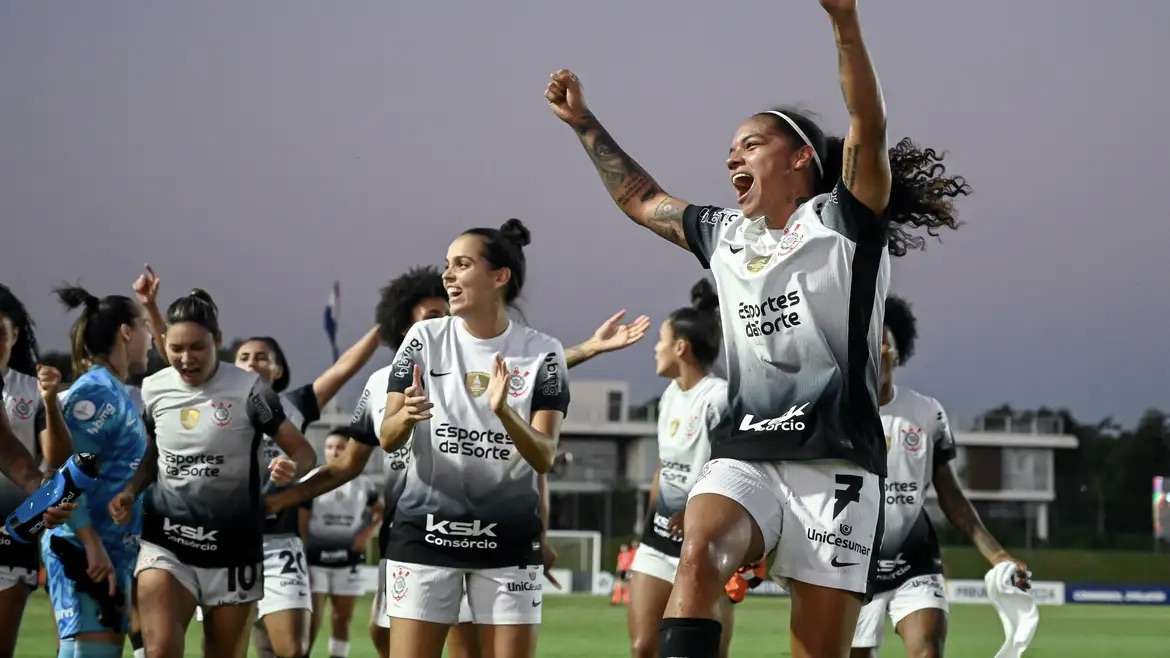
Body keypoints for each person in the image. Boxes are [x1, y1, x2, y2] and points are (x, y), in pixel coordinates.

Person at [546, 1, 969, 654]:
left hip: (836, 465)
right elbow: (642, 199)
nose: (732, 159)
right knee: (699, 553)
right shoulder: (725, 234)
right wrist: (584, 123)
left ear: (800, 157)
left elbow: (868, 123)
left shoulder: (844, 220)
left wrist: (845, 24)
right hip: (746, 454)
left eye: (750, 144)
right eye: (729, 150)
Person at [263, 264, 649, 658]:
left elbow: (527, 371)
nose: (446, 320)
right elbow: (347, 465)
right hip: (409, 541)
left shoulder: (475, 371)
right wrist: (280, 499)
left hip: (474, 538)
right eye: (432, 315)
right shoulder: (380, 386)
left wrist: (588, 348)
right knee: (382, 638)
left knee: (465, 645)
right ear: (405, 326)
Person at [109, 289, 316, 658]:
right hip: (168, 543)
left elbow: (304, 452)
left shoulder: (249, 389)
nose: (186, 358)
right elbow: (153, 455)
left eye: (197, 347)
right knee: (159, 651)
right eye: (176, 348)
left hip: (234, 549)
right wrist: (130, 489)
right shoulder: (154, 388)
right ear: (164, 345)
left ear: (217, 341)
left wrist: (291, 468)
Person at [850, 297, 1029, 658]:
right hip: (850, 564)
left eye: (884, 341)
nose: (877, 349)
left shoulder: (927, 413)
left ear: (897, 352)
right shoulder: (838, 415)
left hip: (914, 560)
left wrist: (997, 555)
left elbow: (952, 498)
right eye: (869, 341)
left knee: (927, 651)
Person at [234, 325, 382, 658]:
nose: (252, 362)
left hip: (279, 541)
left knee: (293, 649)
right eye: (244, 357)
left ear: (278, 370)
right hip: (227, 541)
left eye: (261, 357)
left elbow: (343, 369)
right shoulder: (216, 406)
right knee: (231, 646)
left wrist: (382, 328)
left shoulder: (293, 405)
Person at [42, 285, 153, 658]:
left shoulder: (116, 391)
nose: (151, 338)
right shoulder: (95, 395)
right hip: (85, 553)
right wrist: (90, 543)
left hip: (108, 550)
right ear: (126, 332)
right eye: (145, 327)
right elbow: (66, 475)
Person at [628, 280, 729, 658]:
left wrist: (697, 513)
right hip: (657, 540)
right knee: (643, 646)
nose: (655, 348)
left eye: (661, 340)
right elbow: (663, 466)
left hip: (704, 545)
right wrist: (647, 520)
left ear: (681, 348)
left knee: (707, 652)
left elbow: (732, 469)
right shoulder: (669, 396)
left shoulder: (718, 398)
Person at [0, 284, 72, 658]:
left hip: (11, 533)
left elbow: (10, 450)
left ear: (15, 335)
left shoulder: (30, 388)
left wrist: (46, 496)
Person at [300, 429, 383, 658]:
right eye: (329, 447)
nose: (334, 452)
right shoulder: (313, 479)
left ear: (349, 450)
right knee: (312, 620)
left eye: (340, 447)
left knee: (342, 618)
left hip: (349, 561)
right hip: (315, 562)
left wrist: (365, 535)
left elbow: (380, 511)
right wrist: (303, 553)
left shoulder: (363, 483)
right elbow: (301, 522)